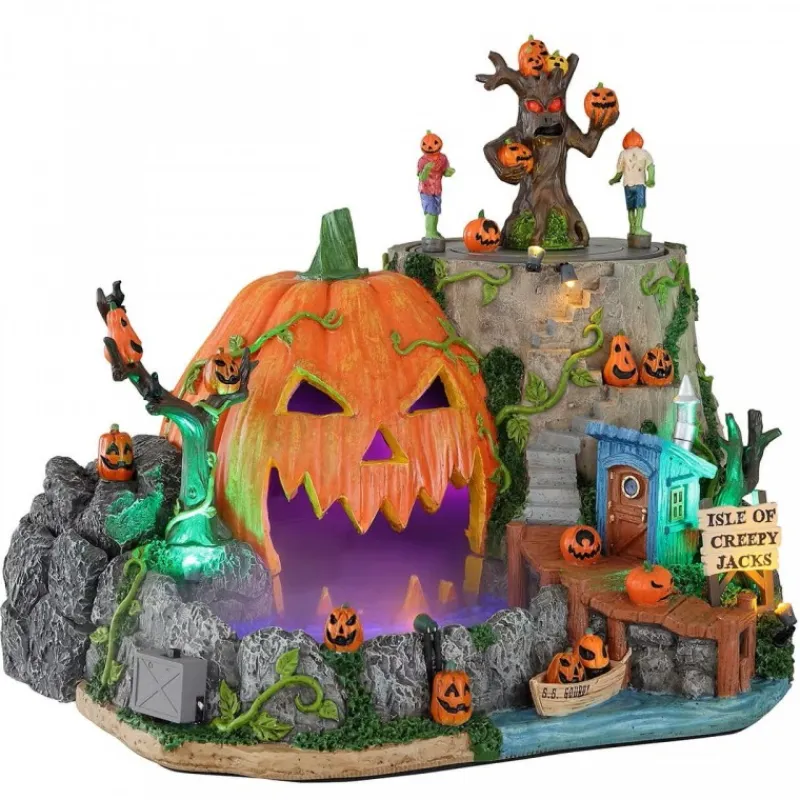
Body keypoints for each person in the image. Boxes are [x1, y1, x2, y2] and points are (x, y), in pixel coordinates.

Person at [609, 129, 655, 238]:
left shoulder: (623, 153)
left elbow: (619, 170)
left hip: (627, 185)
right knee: (640, 206)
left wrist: (615, 179)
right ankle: (638, 228)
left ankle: (632, 227)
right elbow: (650, 167)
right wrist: (651, 179)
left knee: (630, 207)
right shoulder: (645, 153)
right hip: (640, 184)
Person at [417, 131, 455, 239]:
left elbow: (445, 171)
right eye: (425, 144)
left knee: (436, 211)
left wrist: (449, 172)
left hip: (437, 189)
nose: (429, 147)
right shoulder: (422, 161)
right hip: (426, 190)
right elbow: (421, 178)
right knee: (430, 211)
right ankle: (429, 232)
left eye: (434, 143)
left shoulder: (443, 158)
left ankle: (434, 230)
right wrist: (426, 170)